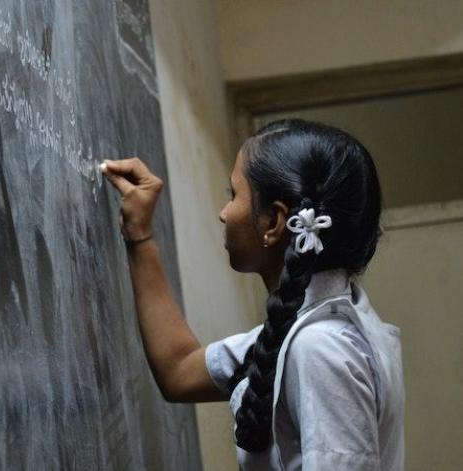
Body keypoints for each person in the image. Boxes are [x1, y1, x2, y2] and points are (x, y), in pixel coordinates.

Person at [101, 119, 404, 470]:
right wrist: (140, 234)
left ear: (275, 222)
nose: (223, 213)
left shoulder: (321, 347)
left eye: (234, 195)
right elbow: (179, 370)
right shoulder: (311, 328)